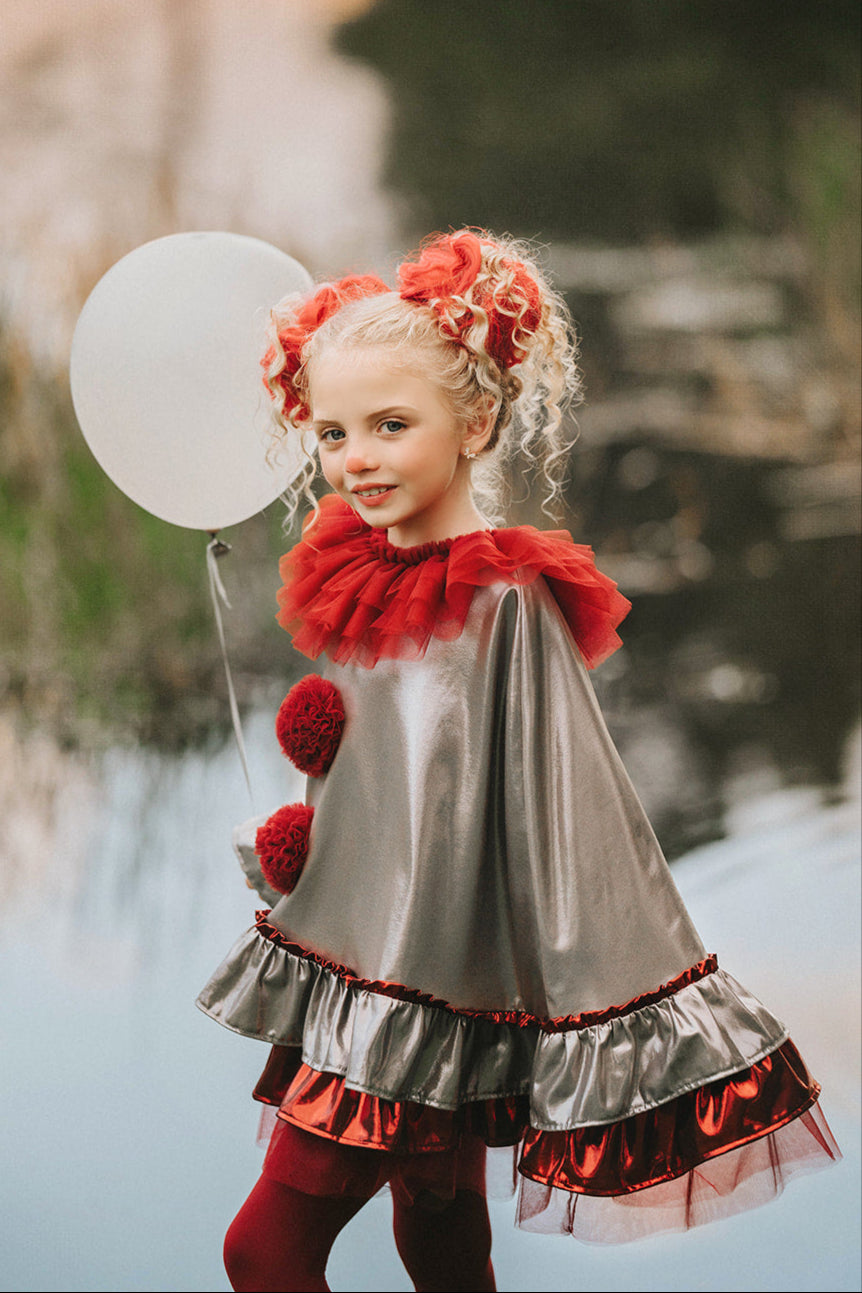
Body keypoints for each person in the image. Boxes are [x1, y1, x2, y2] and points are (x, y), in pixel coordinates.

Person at [197, 230, 839, 1292]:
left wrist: (607, 999)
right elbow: (396, 787)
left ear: (476, 421)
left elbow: (562, 809)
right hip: (373, 975)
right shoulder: (358, 578)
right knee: (440, 1231)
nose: (355, 457)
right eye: (332, 432)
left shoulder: (501, 607)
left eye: (390, 426)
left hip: (414, 1001)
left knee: (261, 1250)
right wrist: (307, 855)